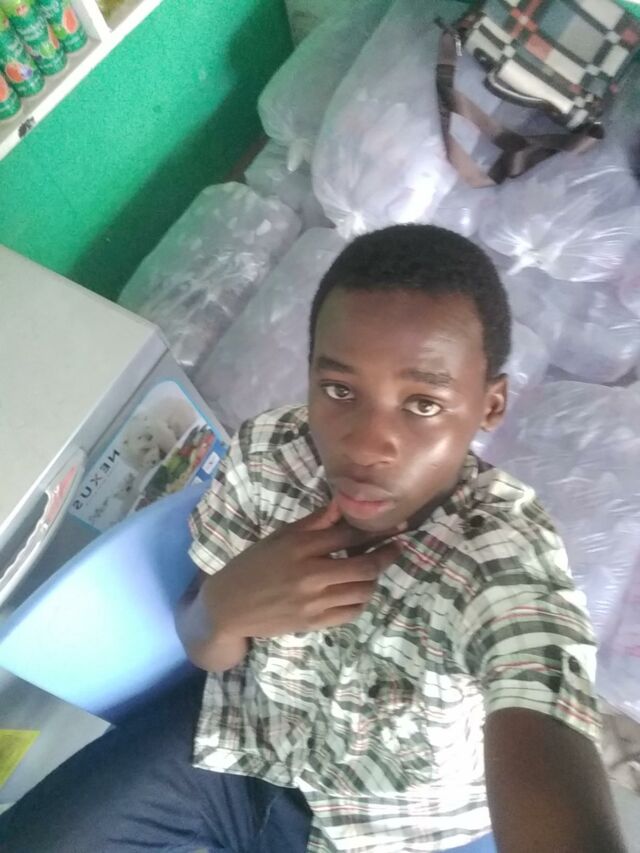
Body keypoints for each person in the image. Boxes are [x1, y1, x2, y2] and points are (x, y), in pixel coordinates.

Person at [0, 225, 627, 853]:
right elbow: (206, 646)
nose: (366, 445)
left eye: (423, 404)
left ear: (489, 406)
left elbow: (542, 710)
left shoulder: (501, 561)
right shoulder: (273, 456)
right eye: (340, 391)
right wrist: (227, 605)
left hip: (391, 832)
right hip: (237, 751)